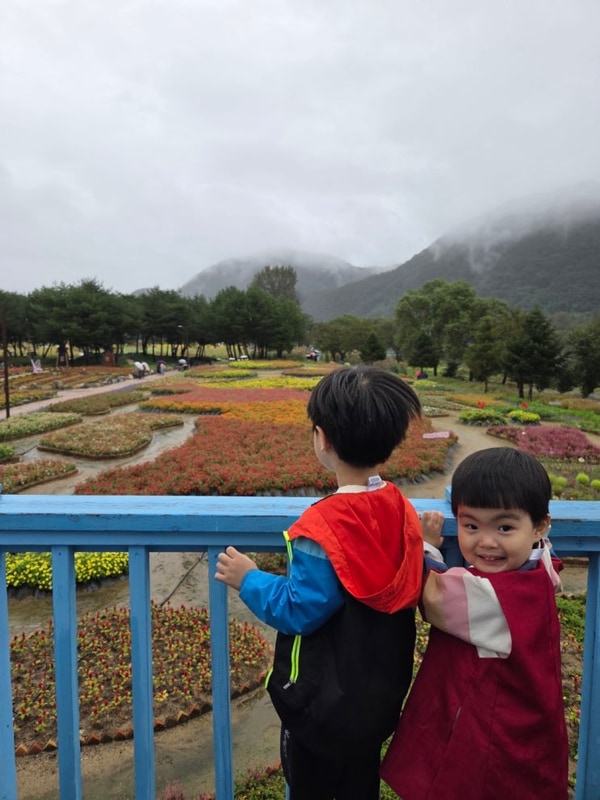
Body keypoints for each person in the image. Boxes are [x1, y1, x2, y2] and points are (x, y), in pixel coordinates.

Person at [215, 365, 425, 800]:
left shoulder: (322, 526)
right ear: (390, 444)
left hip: (323, 704)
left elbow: (300, 608)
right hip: (377, 696)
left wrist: (249, 579)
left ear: (322, 438)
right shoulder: (399, 507)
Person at [381, 448, 569, 800]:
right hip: (525, 735)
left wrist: (426, 547)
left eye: (504, 527)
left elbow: (432, 595)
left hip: (490, 745)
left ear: (539, 525)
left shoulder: (496, 599)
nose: (486, 541)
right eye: (470, 526)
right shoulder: (540, 568)